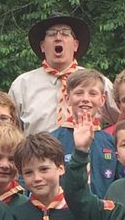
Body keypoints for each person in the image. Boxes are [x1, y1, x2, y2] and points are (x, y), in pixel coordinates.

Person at [8, 13, 89, 134]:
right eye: (51, 34)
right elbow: (9, 132)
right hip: (36, 152)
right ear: (42, 46)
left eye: (65, 33)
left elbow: (122, 117)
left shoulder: (94, 81)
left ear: (75, 45)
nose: (58, 37)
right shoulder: (22, 85)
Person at [51, 67, 119, 196]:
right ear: (67, 98)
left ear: (102, 100)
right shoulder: (52, 141)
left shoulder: (111, 141)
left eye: (92, 94)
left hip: (103, 211)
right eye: (79, 93)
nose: (85, 99)